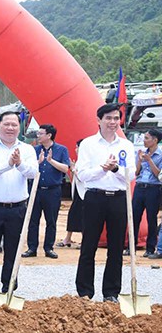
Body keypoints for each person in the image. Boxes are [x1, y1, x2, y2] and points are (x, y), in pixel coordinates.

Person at [75, 103, 136, 302]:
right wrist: (102, 169)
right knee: (89, 245)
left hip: (118, 198)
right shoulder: (88, 144)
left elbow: (131, 175)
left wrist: (116, 169)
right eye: (108, 118)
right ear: (98, 120)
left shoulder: (125, 145)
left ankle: (111, 293)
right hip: (95, 197)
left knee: (117, 247)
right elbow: (83, 174)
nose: (112, 122)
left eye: (116, 118)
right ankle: (84, 291)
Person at [0, 111, 39, 295]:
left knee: (13, 251)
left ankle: (9, 288)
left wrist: (19, 164)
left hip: (17, 209)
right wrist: (8, 163)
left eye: (14, 124)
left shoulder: (27, 149)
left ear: (19, 128)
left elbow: (33, 173)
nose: (10, 128)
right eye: (7, 124)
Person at [22, 124, 70, 259]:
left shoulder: (61, 150)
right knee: (33, 220)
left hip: (52, 191)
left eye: (40, 134)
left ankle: (48, 248)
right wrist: (39, 161)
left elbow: (65, 169)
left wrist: (50, 161)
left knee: (51, 220)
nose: (38, 136)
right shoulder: (33, 150)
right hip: (35, 189)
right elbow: (28, 168)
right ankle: (32, 248)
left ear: (49, 135)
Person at [130, 129, 162, 258]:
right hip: (140, 186)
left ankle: (150, 248)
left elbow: (159, 174)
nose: (144, 140)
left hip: (153, 188)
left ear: (155, 140)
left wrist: (149, 160)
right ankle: (130, 247)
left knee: (151, 218)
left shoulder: (160, 154)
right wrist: (139, 160)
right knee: (134, 217)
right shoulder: (143, 153)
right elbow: (136, 173)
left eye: (147, 138)